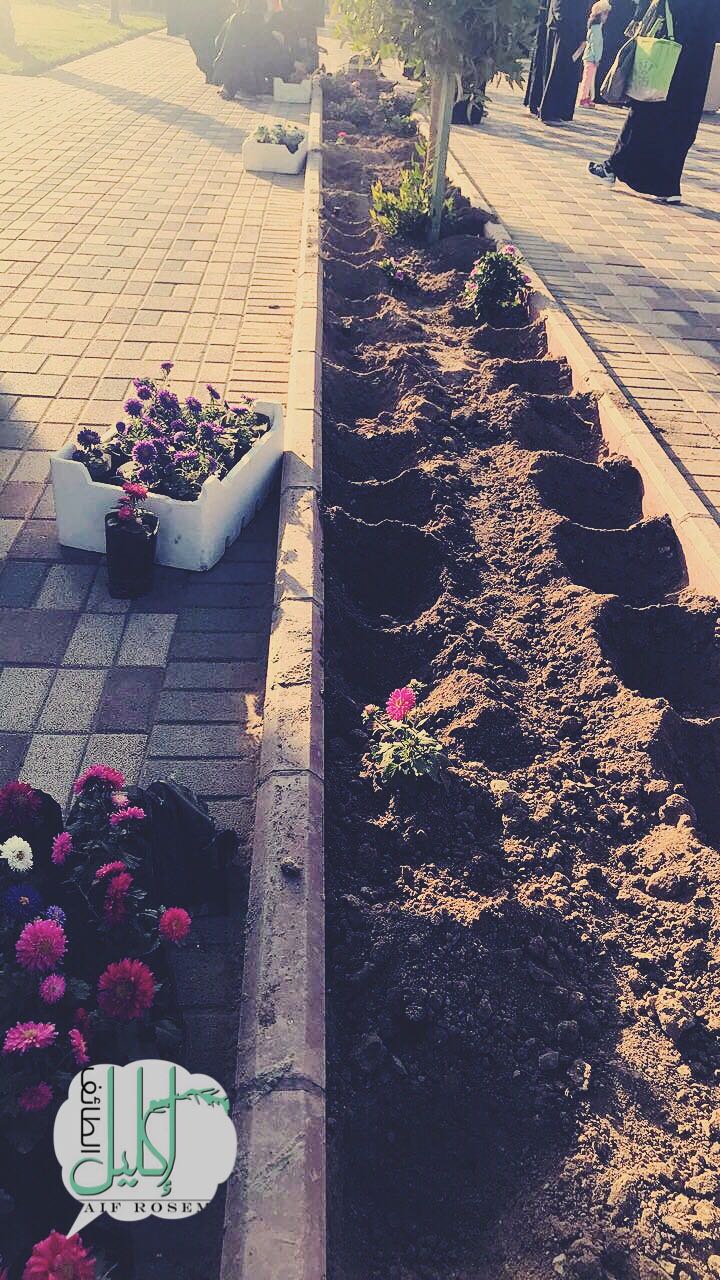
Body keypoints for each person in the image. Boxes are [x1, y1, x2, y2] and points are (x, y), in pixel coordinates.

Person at [589, 0, 720, 201]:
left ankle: (614, 166)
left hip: (669, 45)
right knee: (682, 117)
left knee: (646, 106)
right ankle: (668, 185)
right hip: (698, 56)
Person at [531, 0, 588, 124]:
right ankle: (549, 111)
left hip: (567, 25)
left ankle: (558, 111)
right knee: (558, 71)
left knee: (565, 71)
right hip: (565, 27)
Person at [578, 0, 611, 106]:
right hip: (591, 58)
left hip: (591, 58)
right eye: (605, 14)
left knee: (590, 79)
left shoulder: (595, 27)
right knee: (587, 80)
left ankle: (587, 97)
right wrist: (597, 59)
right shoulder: (596, 29)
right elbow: (595, 45)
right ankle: (583, 98)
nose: (606, 17)